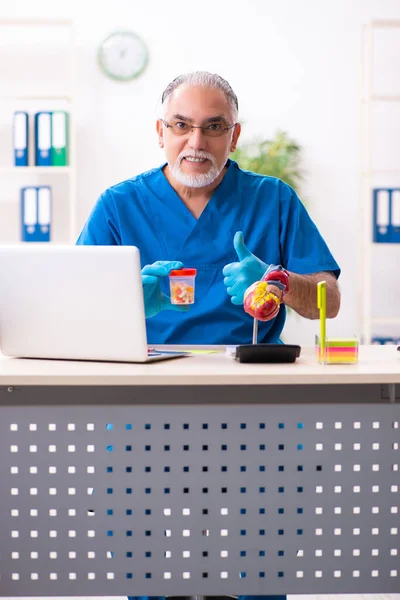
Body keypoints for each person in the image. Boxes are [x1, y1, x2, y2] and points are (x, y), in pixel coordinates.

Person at [77, 71, 341, 600]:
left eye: (213, 127)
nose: (196, 142)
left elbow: (329, 301)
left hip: (255, 398)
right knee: (140, 554)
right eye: (181, 125)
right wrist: (126, 302)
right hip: (143, 401)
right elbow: (75, 309)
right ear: (160, 131)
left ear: (234, 136)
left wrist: (279, 281)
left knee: (261, 563)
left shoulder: (272, 199)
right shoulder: (119, 205)